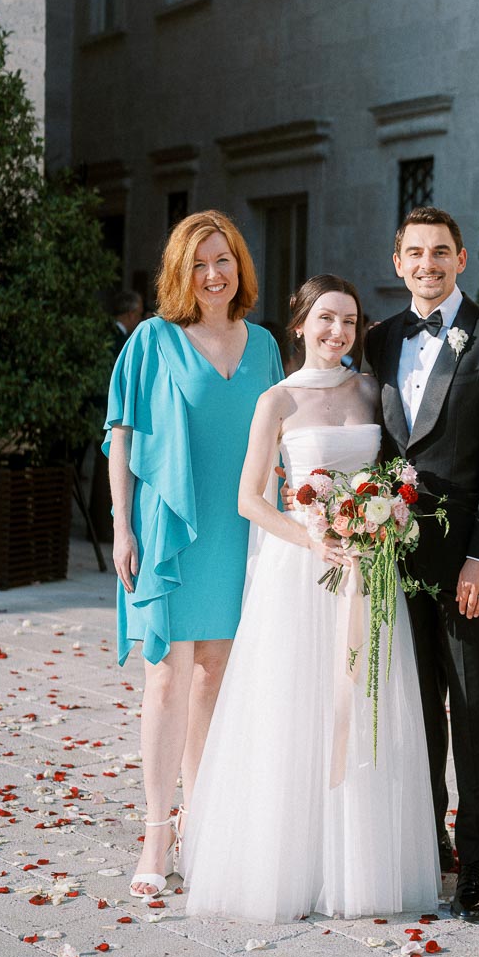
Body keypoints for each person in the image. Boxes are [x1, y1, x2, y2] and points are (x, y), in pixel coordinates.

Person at [183, 275, 440, 922]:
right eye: (326, 319)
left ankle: (357, 866)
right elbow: (249, 499)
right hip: (300, 574)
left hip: (367, 571)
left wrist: (380, 525)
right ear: (298, 324)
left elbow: (391, 476)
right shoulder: (277, 401)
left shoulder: (368, 391)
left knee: (361, 706)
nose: (338, 333)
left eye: (350, 322)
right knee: (294, 711)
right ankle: (291, 864)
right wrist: (312, 539)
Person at [105, 210, 284, 899]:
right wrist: (122, 527)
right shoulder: (152, 340)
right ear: (181, 273)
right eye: (200, 262)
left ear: (240, 266)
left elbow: (280, 440)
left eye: (225, 259)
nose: (214, 273)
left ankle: (202, 823)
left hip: (239, 530)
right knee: (167, 678)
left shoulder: (265, 344)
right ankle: (156, 831)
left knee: (215, 673)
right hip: (166, 531)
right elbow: (119, 434)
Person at [364, 207, 479, 922]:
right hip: (392, 561)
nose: (427, 265)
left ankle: (478, 866)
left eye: (440, 253)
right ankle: (430, 843)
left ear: (462, 260)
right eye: (414, 253)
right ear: (397, 262)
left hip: (466, 564)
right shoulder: (377, 341)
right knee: (415, 710)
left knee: (475, 708)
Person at [90, 289, 144, 543]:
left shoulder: (104, 334)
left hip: (105, 412)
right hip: (109, 413)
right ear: (132, 313)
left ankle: (101, 527)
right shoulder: (123, 341)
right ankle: (103, 529)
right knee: (108, 472)